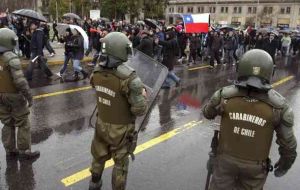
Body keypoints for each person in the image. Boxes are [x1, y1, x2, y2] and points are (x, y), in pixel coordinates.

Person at [202, 49, 297, 190]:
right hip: (255, 168)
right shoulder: (279, 106)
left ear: (240, 68)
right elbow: (289, 146)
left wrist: (218, 108)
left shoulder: (224, 95)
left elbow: (207, 113)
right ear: (271, 72)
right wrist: (284, 165)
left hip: (225, 162)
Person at [89, 32, 148, 190]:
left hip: (101, 123)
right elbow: (139, 110)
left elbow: (93, 84)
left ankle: (94, 183)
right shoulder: (130, 79)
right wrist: (142, 94)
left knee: (98, 155)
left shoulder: (97, 71)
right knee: (120, 163)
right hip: (121, 130)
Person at [0, 28, 40, 160]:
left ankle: (10, 150)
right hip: (14, 96)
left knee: (7, 122)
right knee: (23, 123)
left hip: (1, 96)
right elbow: (20, 82)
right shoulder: (11, 58)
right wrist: (29, 97)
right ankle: (24, 151)